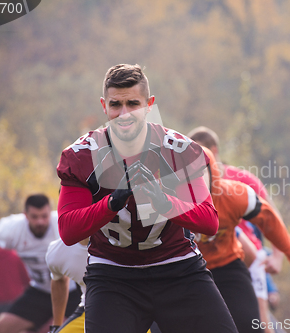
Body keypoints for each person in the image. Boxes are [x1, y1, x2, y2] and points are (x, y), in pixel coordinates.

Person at [56, 64, 238, 333]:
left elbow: (209, 221)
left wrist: (164, 202)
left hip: (177, 267)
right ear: (104, 106)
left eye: (133, 103)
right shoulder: (81, 156)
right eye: (116, 104)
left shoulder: (179, 150)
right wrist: (112, 201)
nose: (124, 114)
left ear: (150, 104)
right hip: (113, 275)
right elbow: (68, 230)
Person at [189, 127, 290, 333]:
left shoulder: (236, 190)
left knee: (252, 324)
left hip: (232, 263)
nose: (196, 182)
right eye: (189, 175)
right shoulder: (174, 200)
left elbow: (271, 219)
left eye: (200, 173)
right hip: (190, 270)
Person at [0, 194, 81, 333]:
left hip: (69, 290)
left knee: (91, 325)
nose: (40, 222)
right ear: (25, 215)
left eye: (44, 216)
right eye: (35, 217)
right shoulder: (14, 229)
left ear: (51, 213)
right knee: (1, 328)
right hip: (40, 290)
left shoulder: (61, 224)